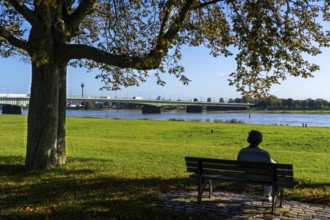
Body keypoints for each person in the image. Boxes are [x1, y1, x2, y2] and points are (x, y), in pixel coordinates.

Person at [237, 130, 275, 202]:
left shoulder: (242, 152)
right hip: (261, 178)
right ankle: (267, 195)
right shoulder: (265, 154)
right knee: (271, 175)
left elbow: (238, 164)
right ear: (260, 140)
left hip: (246, 176)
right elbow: (270, 166)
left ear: (249, 139)